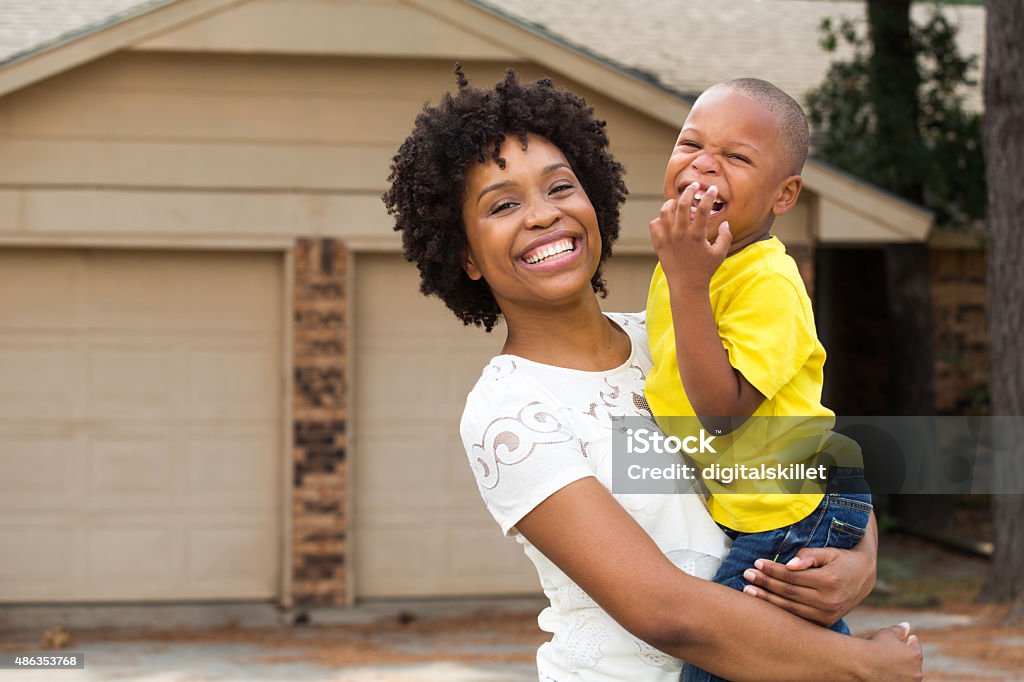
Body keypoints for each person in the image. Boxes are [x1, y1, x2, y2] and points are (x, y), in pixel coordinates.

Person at [382, 65, 921, 682]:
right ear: (466, 256)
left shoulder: (672, 335)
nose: (541, 216)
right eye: (503, 205)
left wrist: (860, 551)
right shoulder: (510, 409)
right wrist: (862, 666)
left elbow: (805, 446)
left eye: (560, 188)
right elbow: (664, 610)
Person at [642, 79, 873, 681]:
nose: (703, 163)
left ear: (784, 194)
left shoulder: (764, 281)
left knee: (728, 658)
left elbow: (722, 411)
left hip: (789, 512)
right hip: (756, 505)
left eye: (738, 157)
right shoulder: (689, 265)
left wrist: (688, 280)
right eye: (690, 142)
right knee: (787, 657)